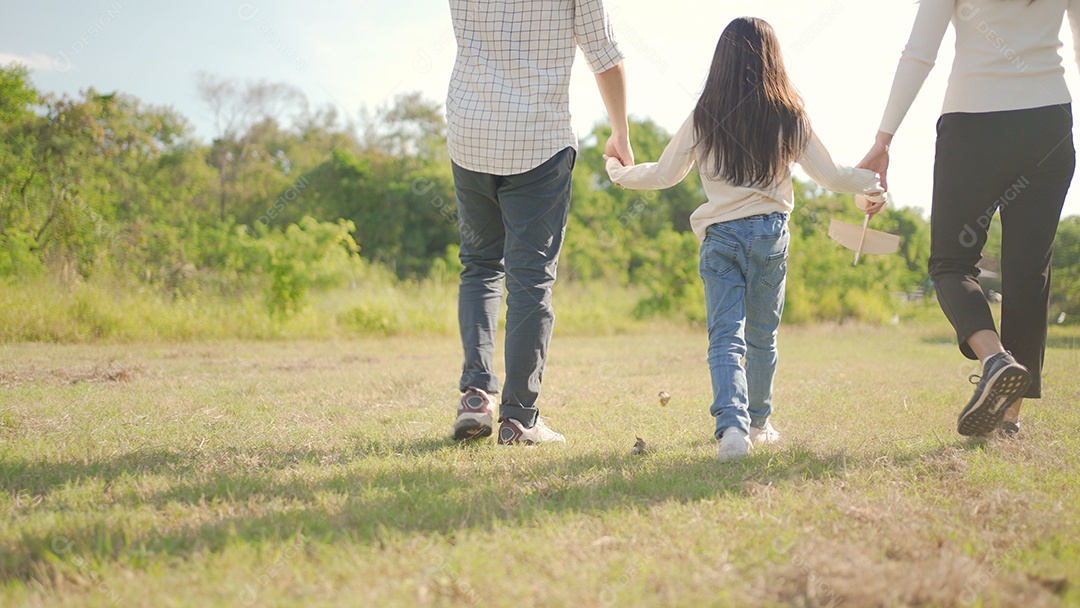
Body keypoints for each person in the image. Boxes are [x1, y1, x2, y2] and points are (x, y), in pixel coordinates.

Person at [606, 17, 885, 462]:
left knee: (724, 337)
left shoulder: (704, 115)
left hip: (720, 236)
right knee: (762, 336)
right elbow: (831, 177)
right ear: (773, 59)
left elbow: (663, 174)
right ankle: (759, 423)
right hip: (770, 234)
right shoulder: (789, 115)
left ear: (721, 62)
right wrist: (873, 185)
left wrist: (618, 172)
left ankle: (732, 429)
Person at [858, 0, 1078, 437]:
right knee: (1026, 272)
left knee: (952, 263)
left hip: (973, 124)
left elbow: (919, 53)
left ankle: (995, 358)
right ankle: (1009, 420)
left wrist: (883, 139)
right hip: (1049, 124)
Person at [447, 0, 633, 444]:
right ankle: (517, 419)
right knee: (530, 282)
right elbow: (604, 55)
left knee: (480, 265)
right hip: (538, 140)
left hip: (469, 136)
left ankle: (476, 394)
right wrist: (620, 132)